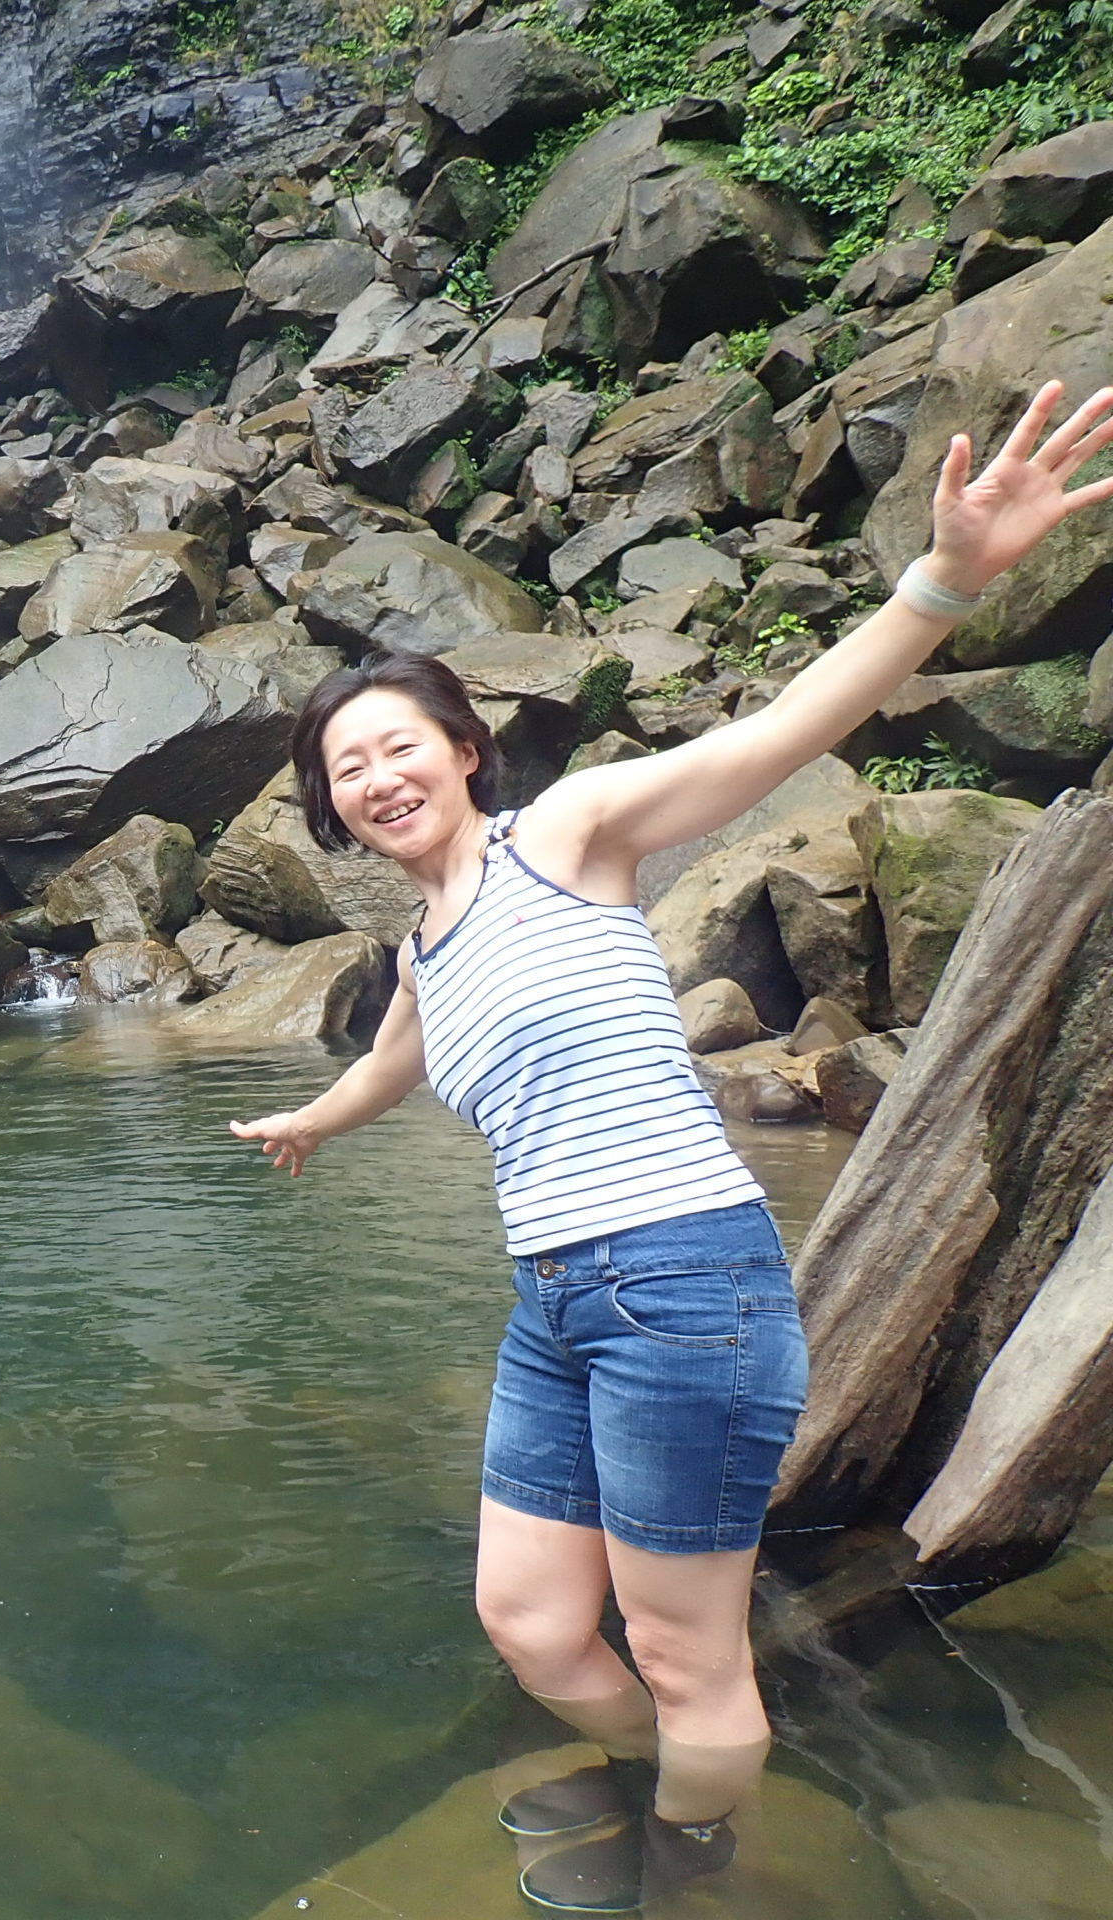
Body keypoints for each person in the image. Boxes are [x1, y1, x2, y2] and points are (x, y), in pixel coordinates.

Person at [230, 380, 1113, 1913]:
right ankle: (666, 1787)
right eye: (345, 774)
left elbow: (777, 735)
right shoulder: (428, 957)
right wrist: (306, 1121)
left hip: (682, 1284)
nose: (374, 782)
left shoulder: (569, 836)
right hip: (558, 1304)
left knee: (690, 1649)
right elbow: (388, 1065)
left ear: (462, 750)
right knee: (529, 1622)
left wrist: (945, 581)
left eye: (396, 749)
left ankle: (707, 1866)